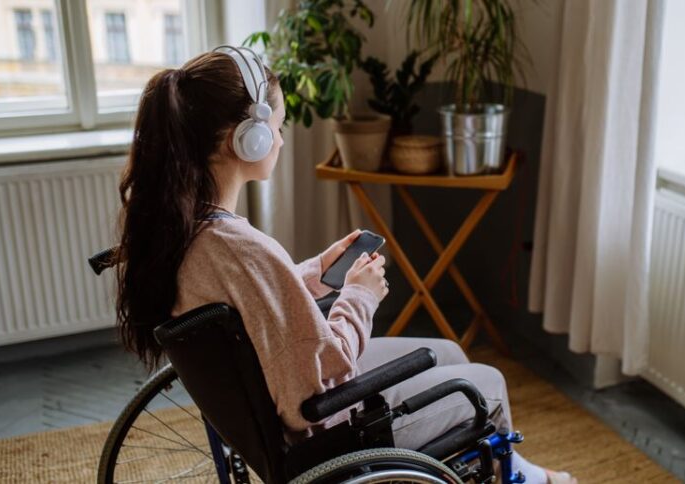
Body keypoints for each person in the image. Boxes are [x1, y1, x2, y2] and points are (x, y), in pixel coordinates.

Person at [114, 47, 576, 484]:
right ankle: (517, 476)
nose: (279, 137)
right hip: (323, 431)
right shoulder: (245, 248)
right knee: (486, 384)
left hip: (267, 400)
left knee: (451, 354)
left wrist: (317, 271)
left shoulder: (189, 230)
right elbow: (317, 389)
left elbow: (252, 306)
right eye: (278, 125)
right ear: (247, 140)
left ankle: (518, 469)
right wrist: (360, 296)